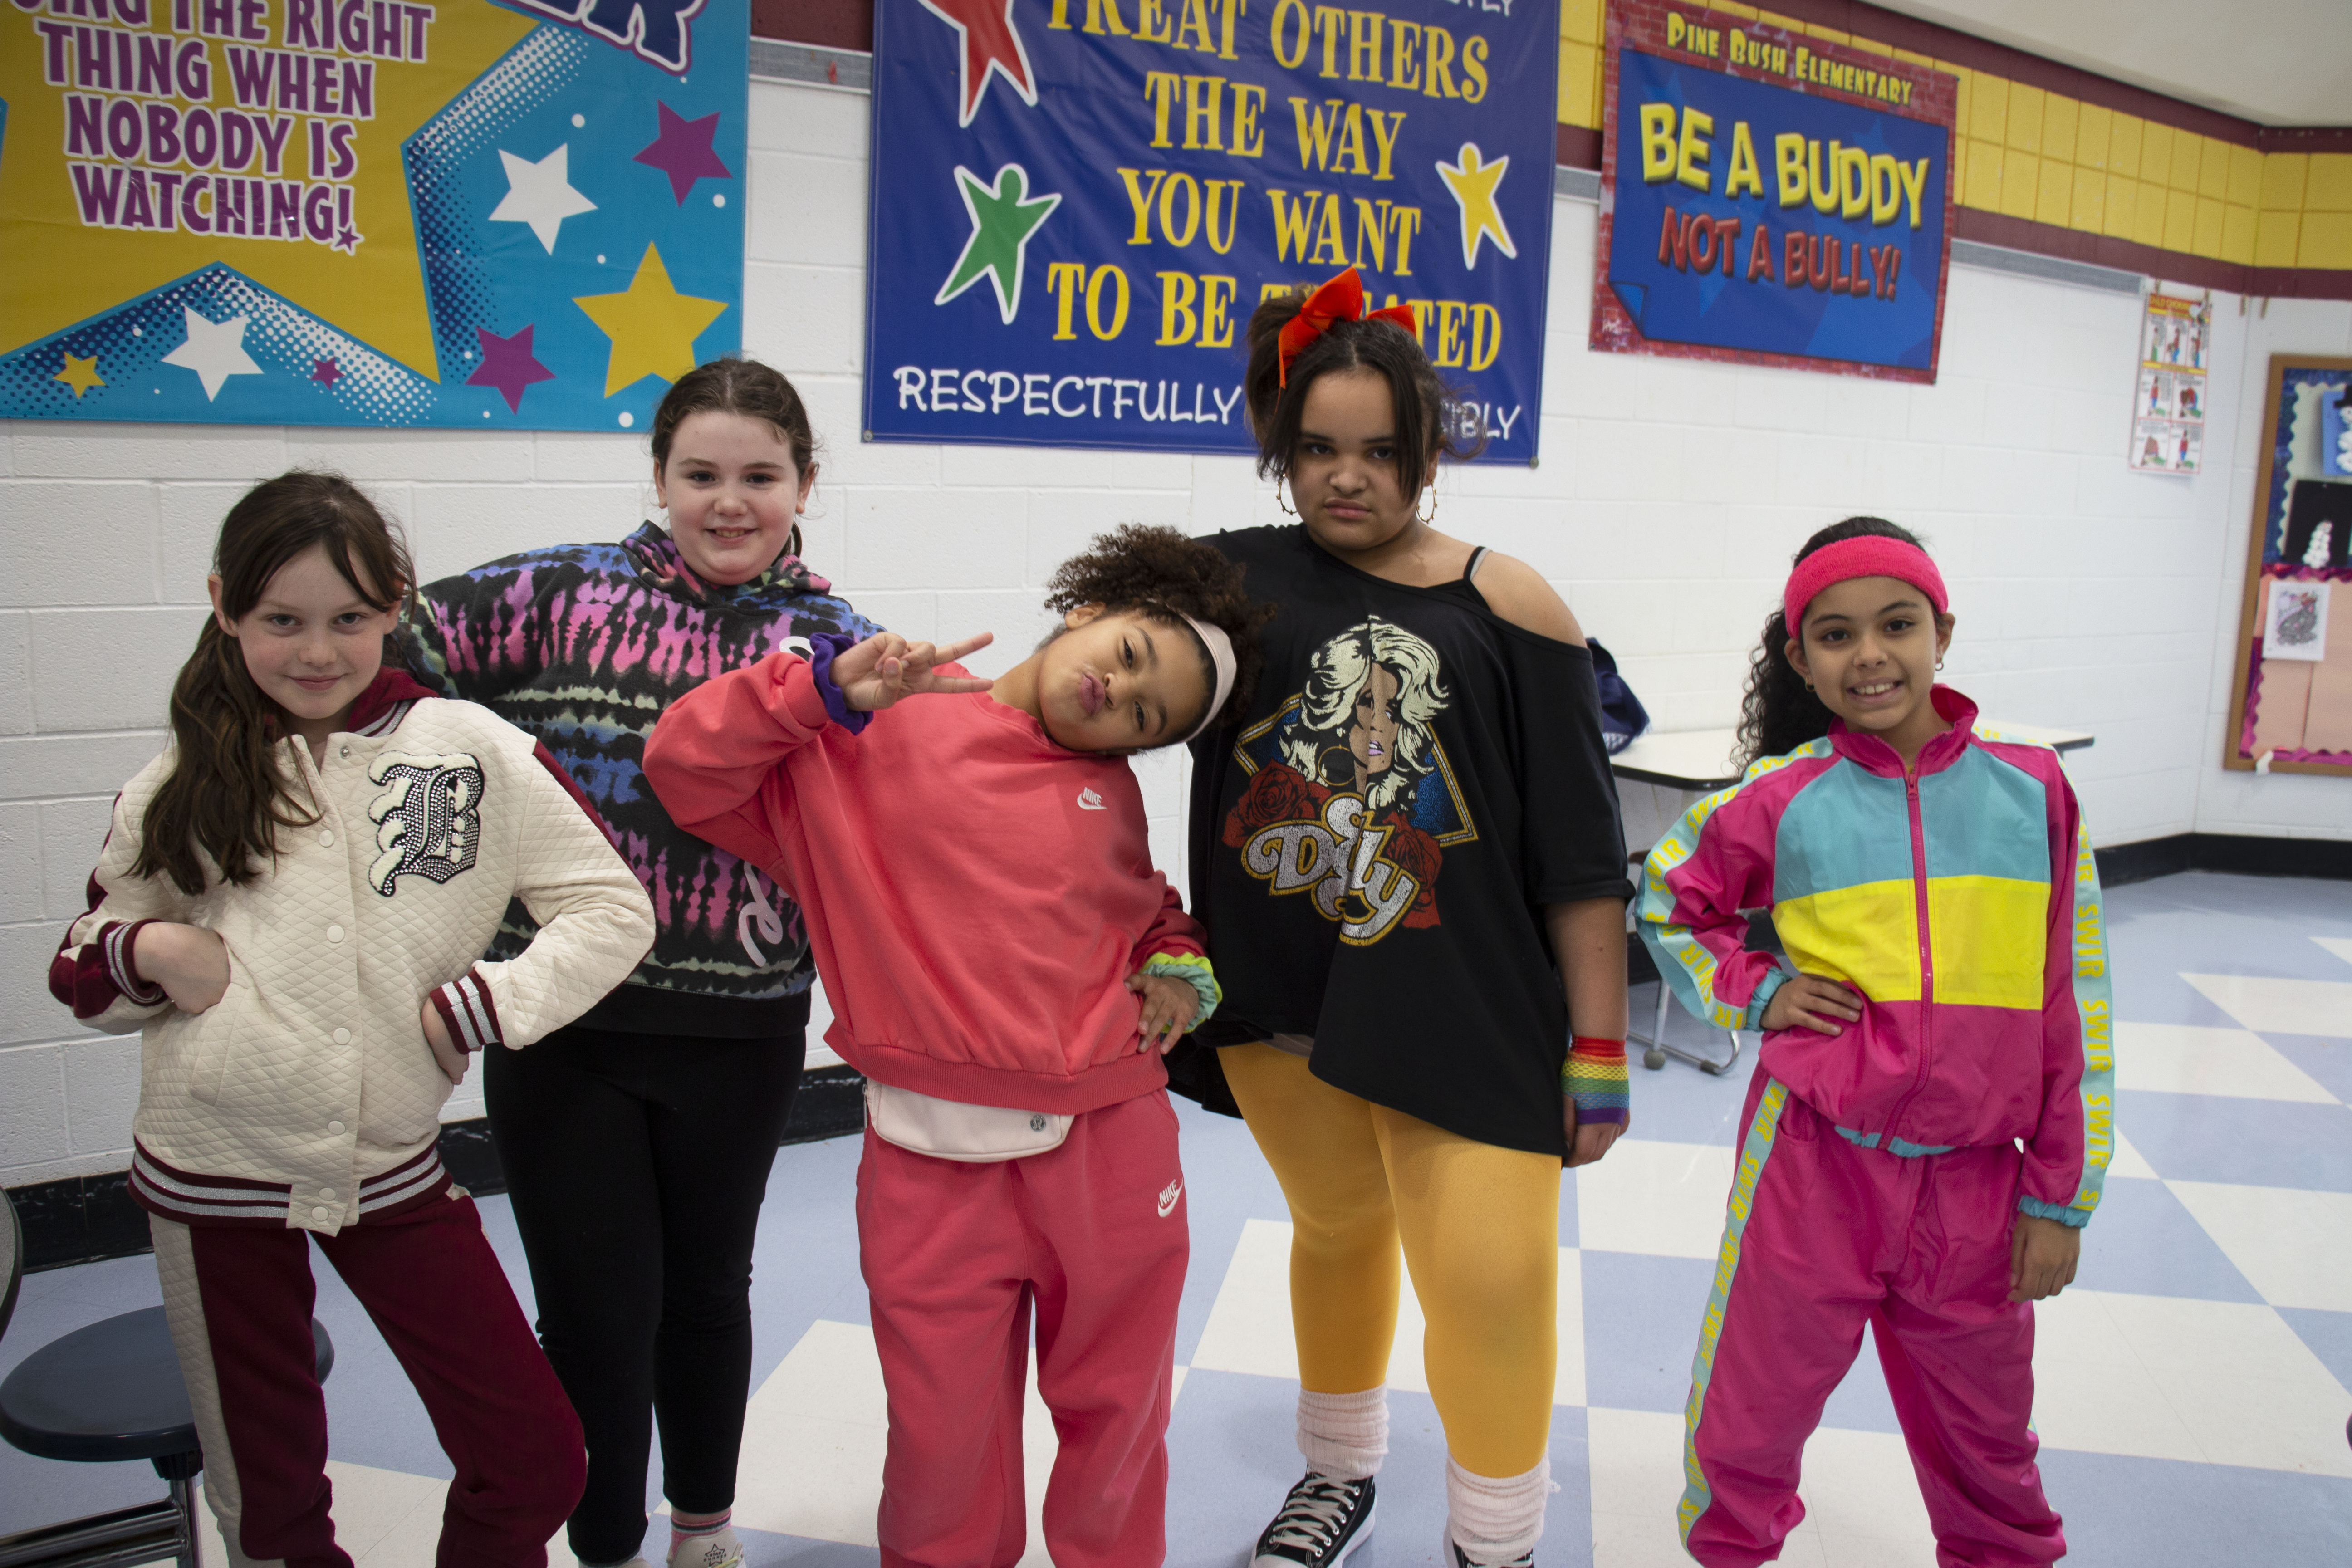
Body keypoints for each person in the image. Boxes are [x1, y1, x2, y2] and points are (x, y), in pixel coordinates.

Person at [47, 472, 656, 1568]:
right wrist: (155, 951)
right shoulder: (181, 777)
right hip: (211, 1172)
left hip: (392, 1168)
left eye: (349, 619)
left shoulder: (472, 749)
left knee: (534, 1456)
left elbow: (612, 908)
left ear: (395, 607)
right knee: (271, 1507)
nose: (316, 651)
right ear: (224, 606)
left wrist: (485, 1005)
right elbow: (82, 966)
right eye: (281, 620)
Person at [641, 524, 1269, 1568]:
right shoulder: (873, 725)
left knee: (1117, 1414)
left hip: (1110, 1144)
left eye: (1152, 713)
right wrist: (820, 693)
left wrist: (1176, 959)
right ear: (1087, 611)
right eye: (1127, 655)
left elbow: (1136, 904)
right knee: (941, 1438)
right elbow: (682, 764)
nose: (1121, 693)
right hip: (930, 1161)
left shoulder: (1101, 786)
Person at [1180, 268, 1634, 1568]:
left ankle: (1496, 1544)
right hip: (1283, 991)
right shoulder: (1226, 583)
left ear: (1426, 455)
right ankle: (1339, 1473)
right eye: (1317, 448)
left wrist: (1597, 1048)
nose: (1347, 478)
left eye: (1381, 451)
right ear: (1280, 445)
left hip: (1471, 1010)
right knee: (1335, 1228)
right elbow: (1095, 690)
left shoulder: (1512, 605)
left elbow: (1583, 861)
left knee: (1493, 1279)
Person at [395, 358, 873, 1568]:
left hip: (746, 1030)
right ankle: (603, 1541)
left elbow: (931, 810)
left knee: (708, 1295)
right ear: (657, 477)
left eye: (759, 476)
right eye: (700, 474)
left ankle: (702, 1535)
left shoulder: (840, 643)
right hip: (565, 1027)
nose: (729, 501)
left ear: (805, 483)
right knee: (595, 1317)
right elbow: (376, 650)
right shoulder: (556, 594)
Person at [1637, 517, 2113, 1568]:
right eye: (1837, 636)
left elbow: (2071, 1000)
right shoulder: (1784, 797)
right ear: (1802, 659)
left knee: (1990, 1438)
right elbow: (1668, 894)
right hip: (1814, 1165)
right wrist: (1756, 992)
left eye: (1897, 626)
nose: (1870, 657)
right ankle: (1731, 1551)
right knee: (1752, 1410)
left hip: (1983, 1185)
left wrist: (2059, 1198)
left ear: (1943, 632)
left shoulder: (2033, 790)